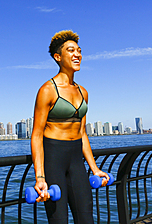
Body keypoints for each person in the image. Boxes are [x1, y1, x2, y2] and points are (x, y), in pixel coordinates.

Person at [30, 30, 110, 224]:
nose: (77, 54)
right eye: (71, 50)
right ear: (58, 57)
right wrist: (40, 177)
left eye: (79, 50)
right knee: (59, 220)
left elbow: (82, 133)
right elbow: (37, 135)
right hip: (54, 158)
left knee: (86, 218)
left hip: (76, 160)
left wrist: (95, 168)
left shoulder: (83, 92)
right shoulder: (47, 90)